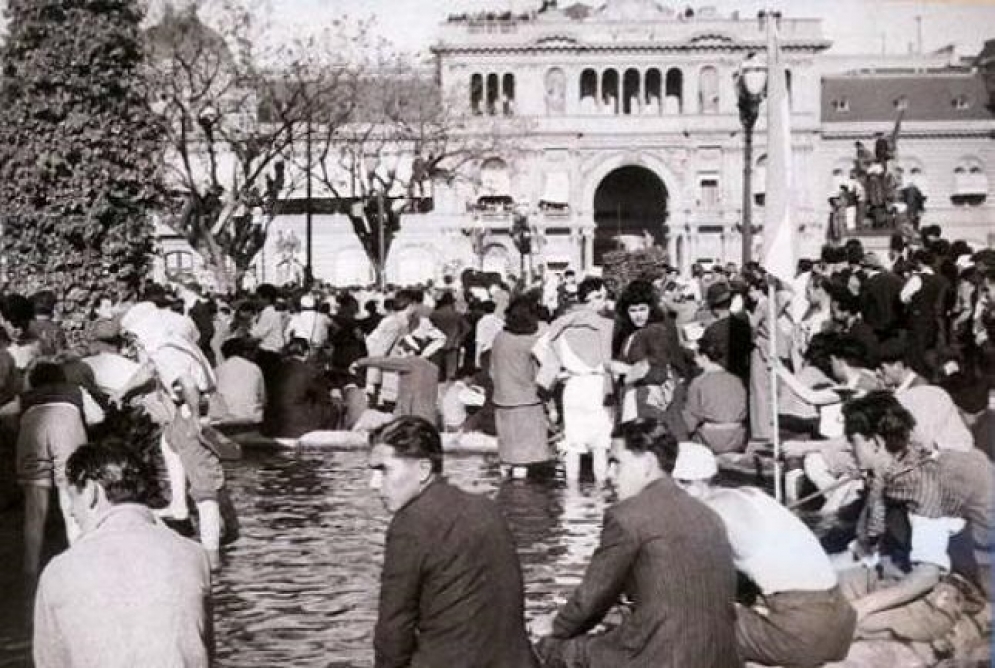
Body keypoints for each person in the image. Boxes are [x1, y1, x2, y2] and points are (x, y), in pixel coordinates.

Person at [533, 418, 741, 668]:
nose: (610, 475)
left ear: (648, 464)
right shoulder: (709, 516)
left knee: (548, 647)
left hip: (659, 658)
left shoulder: (627, 516)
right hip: (718, 656)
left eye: (617, 463)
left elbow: (591, 601)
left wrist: (552, 627)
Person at [367, 416, 538, 668]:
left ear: (424, 470)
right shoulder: (486, 508)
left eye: (384, 470)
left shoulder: (410, 525)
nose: (373, 484)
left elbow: (393, 630)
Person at [673, 442, 856, 666]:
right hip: (838, 618)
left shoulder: (710, 514)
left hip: (804, 631)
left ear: (686, 485)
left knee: (686, 623)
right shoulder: (748, 495)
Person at [33, 443, 213, 668]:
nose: (71, 511)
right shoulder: (193, 556)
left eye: (73, 498)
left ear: (90, 491)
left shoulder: (57, 572)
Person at [839, 392, 992, 642]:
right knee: (816, 597)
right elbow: (866, 550)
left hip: (943, 589)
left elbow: (927, 574)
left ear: (875, 443)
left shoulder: (923, 484)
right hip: (896, 570)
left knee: (842, 625)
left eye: (852, 441)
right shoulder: (888, 475)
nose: (848, 448)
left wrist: (864, 606)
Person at [536, 277, 615, 484]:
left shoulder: (560, 327)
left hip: (574, 386)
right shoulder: (608, 327)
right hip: (599, 386)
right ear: (590, 299)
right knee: (600, 447)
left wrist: (561, 370)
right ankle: (600, 497)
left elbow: (538, 348)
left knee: (572, 446)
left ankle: (572, 501)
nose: (604, 303)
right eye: (601, 297)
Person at [491, 294, 551, 473]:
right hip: (526, 403)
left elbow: (492, 371)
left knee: (506, 457)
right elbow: (548, 370)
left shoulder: (499, 338)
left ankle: (505, 494)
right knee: (522, 462)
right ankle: (519, 497)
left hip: (502, 401)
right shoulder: (531, 342)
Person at [682, 335, 747, 454]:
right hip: (737, 437)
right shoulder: (736, 379)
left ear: (704, 357)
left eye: (696, 356)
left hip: (711, 439)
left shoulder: (698, 382)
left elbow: (691, 418)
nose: (694, 360)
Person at [208, 337, 266, 426]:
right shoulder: (254, 368)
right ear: (244, 352)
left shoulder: (217, 370)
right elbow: (263, 398)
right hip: (251, 417)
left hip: (224, 419)